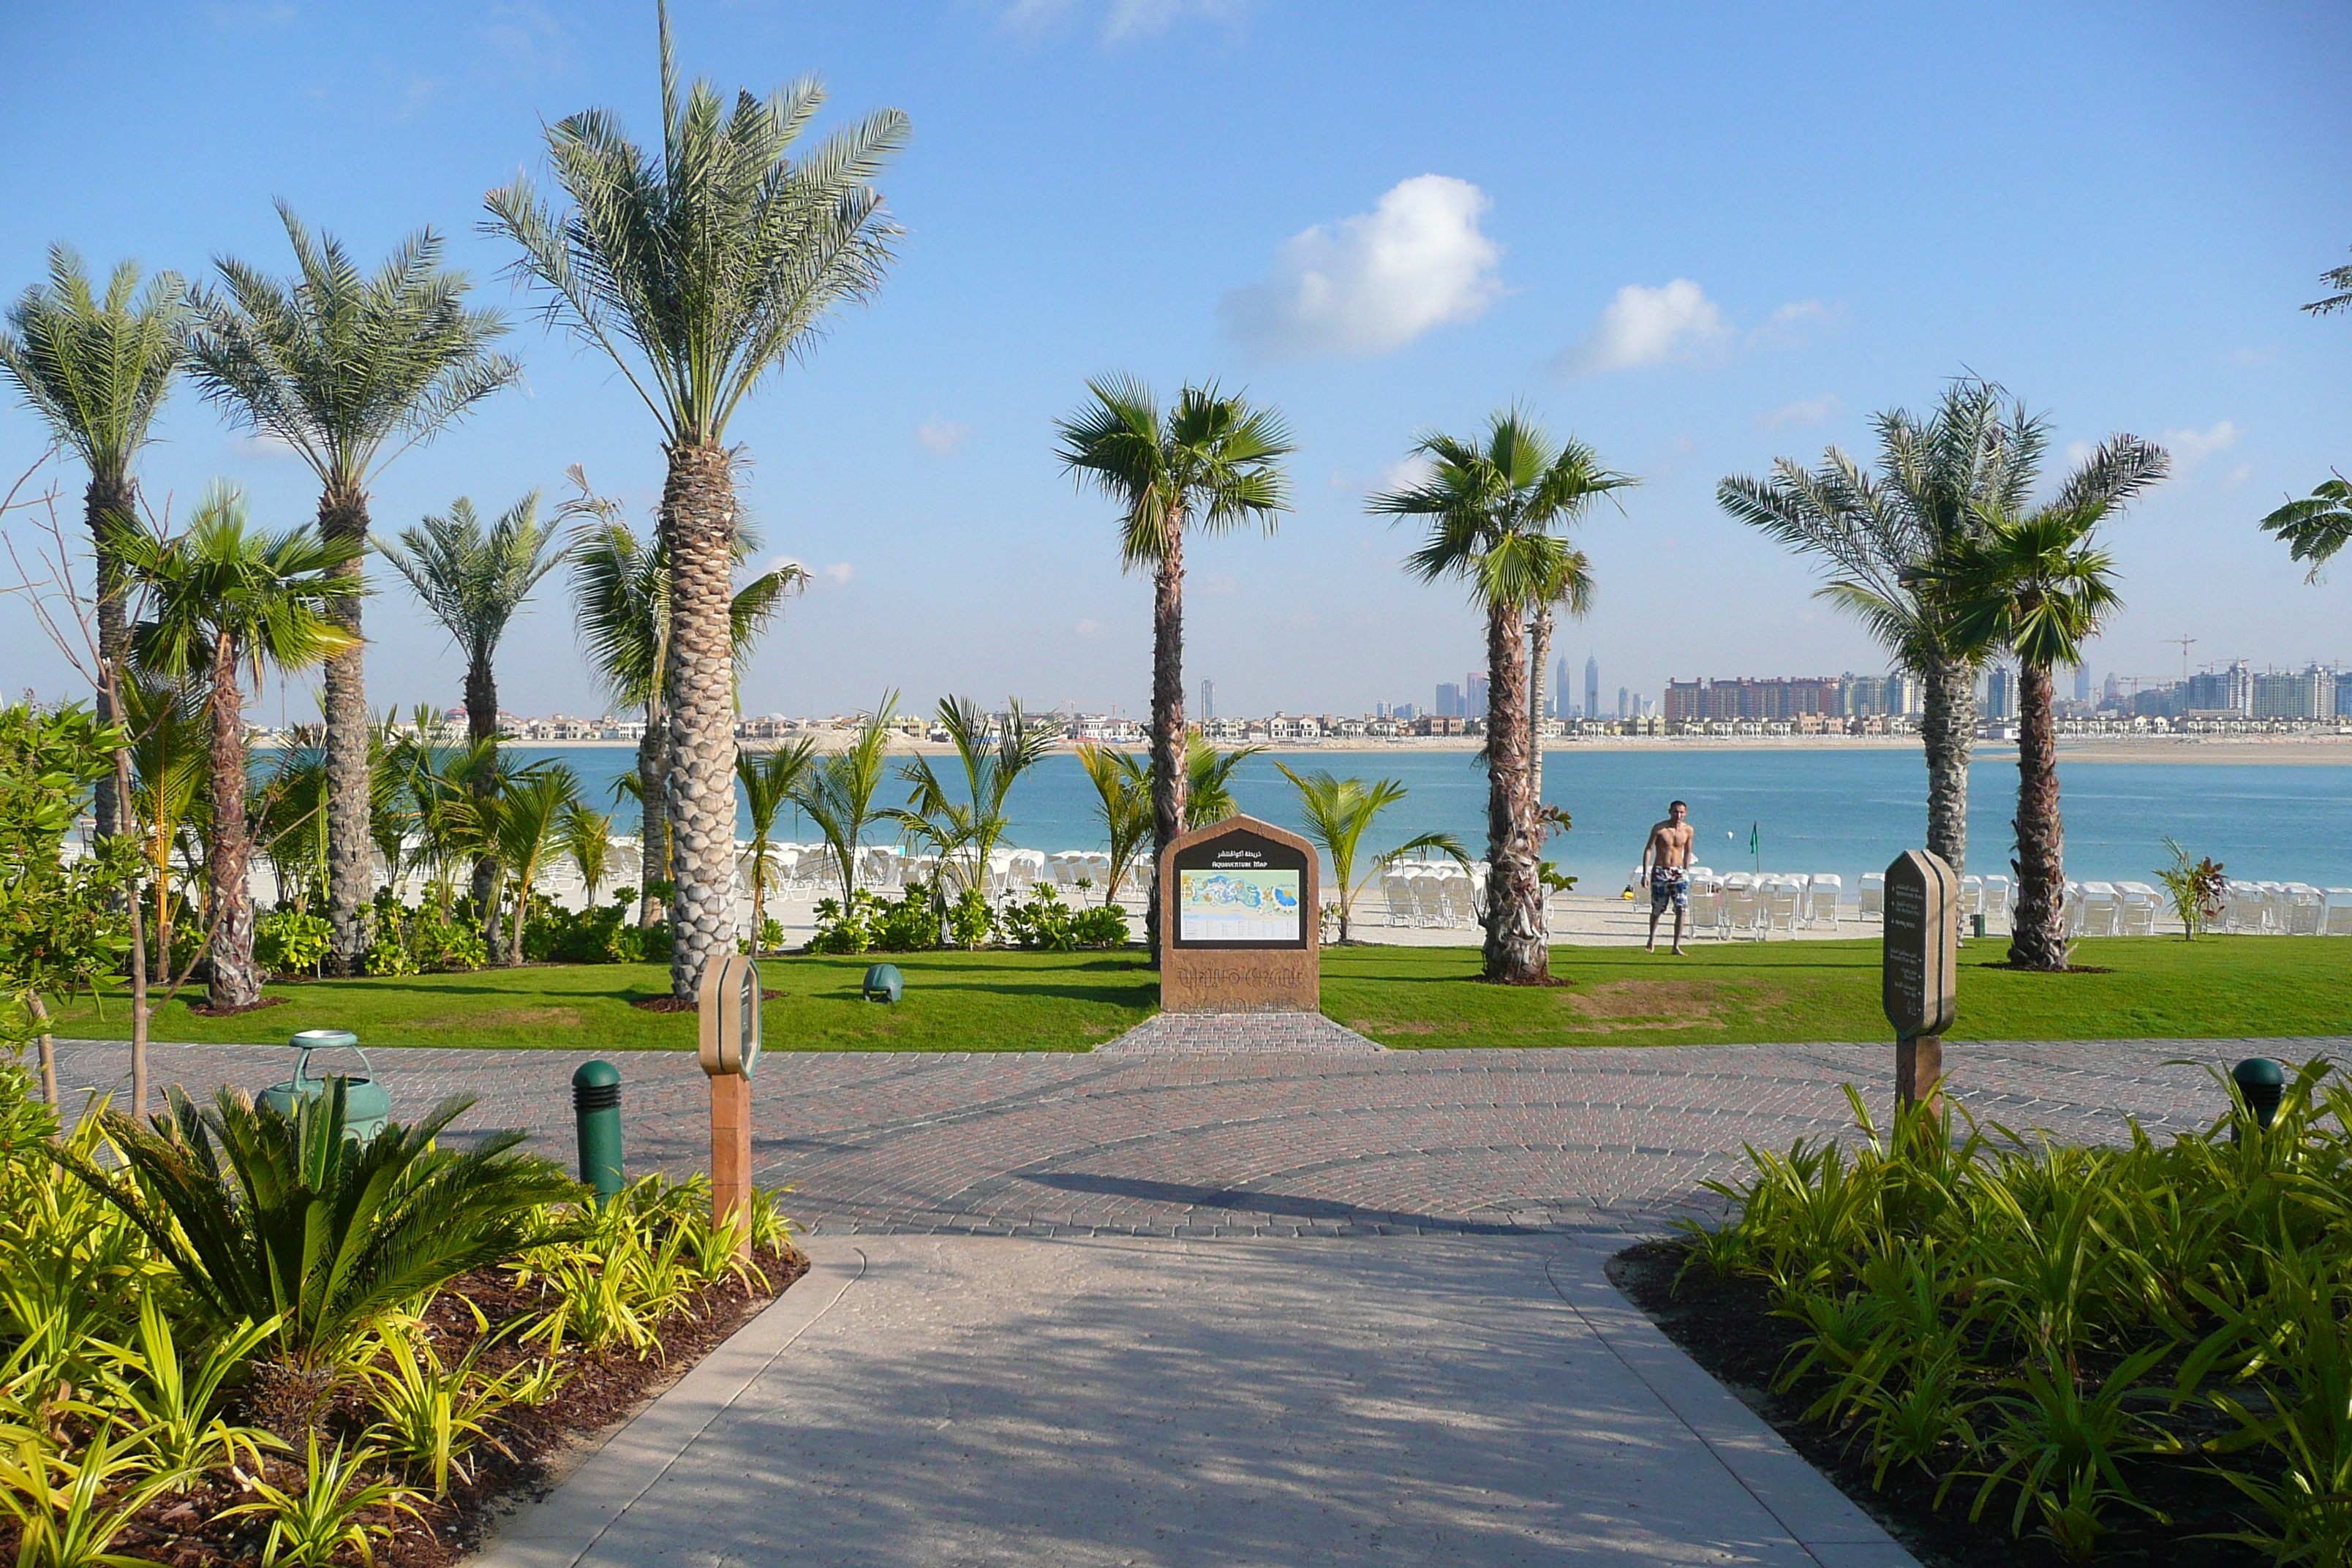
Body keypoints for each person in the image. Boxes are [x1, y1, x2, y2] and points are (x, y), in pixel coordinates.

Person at [1640, 799, 1697, 954]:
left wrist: (1686, 870)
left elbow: (1688, 852)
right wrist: (1645, 873)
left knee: (1681, 909)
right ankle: (1651, 939)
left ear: (1685, 813)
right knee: (1658, 909)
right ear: (1669, 811)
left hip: (1679, 873)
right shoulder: (1660, 828)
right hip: (1660, 871)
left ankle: (1676, 946)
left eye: (1681, 812)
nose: (1678, 815)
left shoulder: (1688, 830)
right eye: (1675, 812)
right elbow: (1649, 849)